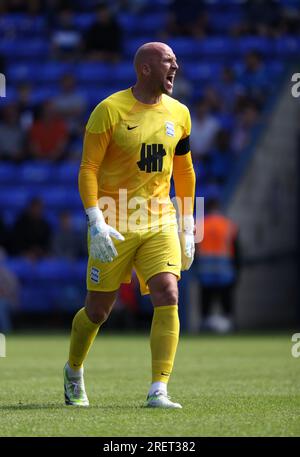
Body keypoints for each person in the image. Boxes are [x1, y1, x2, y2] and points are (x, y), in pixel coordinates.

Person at [63, 42, 196, 409]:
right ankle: (73, 370)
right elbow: (88, 169)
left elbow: (183, 170)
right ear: (146, 69)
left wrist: (187, 222)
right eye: (169, 61)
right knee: (98, 312)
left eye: (175, 61)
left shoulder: (180, 113)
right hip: (114, 221)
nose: (176, 67)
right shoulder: (109, 111)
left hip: (158, 219)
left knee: (168, 292)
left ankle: (159, 389)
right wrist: (95, 221)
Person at [195, 198, 241, 333]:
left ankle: (204, 326)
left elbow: (193, 250)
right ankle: (231, 325)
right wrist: (237, 270)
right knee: (226, 300)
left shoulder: (200, 225)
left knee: (206, 301)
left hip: (205, 271)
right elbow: (237, 249)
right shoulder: (228, 225)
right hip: (225, 270)